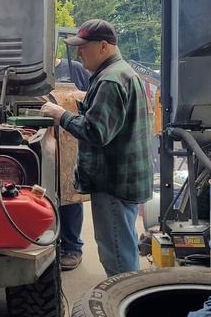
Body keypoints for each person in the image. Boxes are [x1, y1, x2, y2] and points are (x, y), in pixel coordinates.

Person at [42, 19, 152, 277]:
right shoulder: (119, 73)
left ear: (103, 46)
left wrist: (61, 114)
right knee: (123, 248)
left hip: (113, 184)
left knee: (118, 259)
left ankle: (121, 304)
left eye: (84, 47)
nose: (79, 53)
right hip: (123, 181)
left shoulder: (110, 81)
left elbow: (95, 132)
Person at [53, 57, 90, 271]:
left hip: (70, 139)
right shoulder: (29, 72)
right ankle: (50, 242)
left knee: (69, 193)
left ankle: (72, 247)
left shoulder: (74, 68)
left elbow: (92, 102)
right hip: (44, 140)